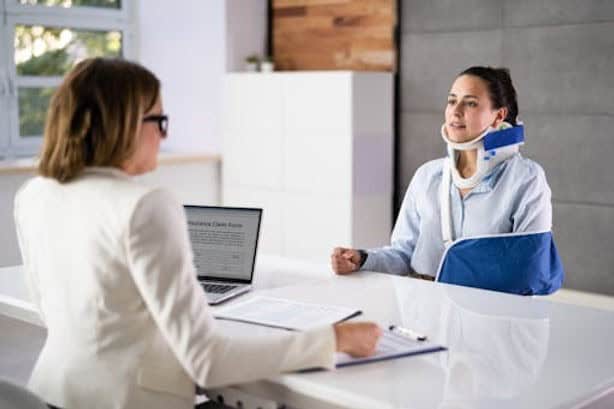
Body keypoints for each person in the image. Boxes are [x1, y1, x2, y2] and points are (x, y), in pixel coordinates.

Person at [14, 57, 382, 409]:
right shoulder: (145, 205)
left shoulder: (34, 195)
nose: (163, 134)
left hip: (52, 393)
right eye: (159, 120)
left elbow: (70, 316)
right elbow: (206, 360)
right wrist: (332, 339)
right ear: (123, 124)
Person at [331, 66, 553, 281]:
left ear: (499, 116)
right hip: (423, 310)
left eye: (471, 103)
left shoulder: (526, 179)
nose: (456, 112)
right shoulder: (428, 176)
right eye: (452, 100)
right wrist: (362, 259)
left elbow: (529, 271)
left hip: (491, 314)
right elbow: (403, 255)